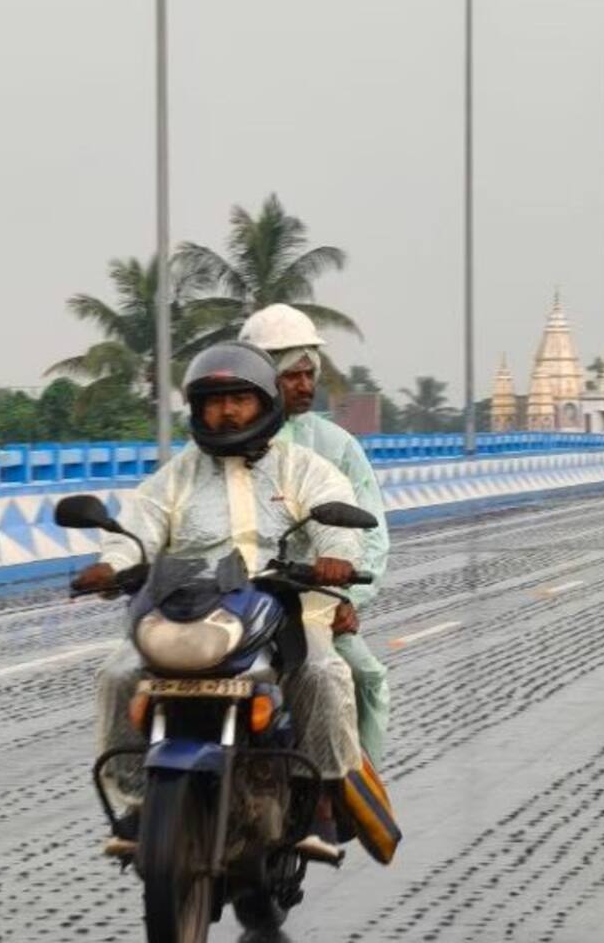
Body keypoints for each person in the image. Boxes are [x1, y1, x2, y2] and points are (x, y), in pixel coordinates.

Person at [71, 340, 365, 859]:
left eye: (238, 399)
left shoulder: (304, 469)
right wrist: (111, 567)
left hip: (280, 611)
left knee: (322, 671)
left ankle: (320, 795)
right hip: (188, 612)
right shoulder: (174, 478)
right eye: (213, 401)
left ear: (264, 403)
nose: (226, 411)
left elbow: (336, 521)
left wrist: (335, 558)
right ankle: (140, 803)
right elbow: (135, 533)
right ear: (198, 409)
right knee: (118, 674)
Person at [237, 304, 393, 768]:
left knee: (359, 676)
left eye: (309, 374)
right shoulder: (216, 441)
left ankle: (345, 788)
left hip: (308, 600)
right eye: (292, 375)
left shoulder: (335, 446)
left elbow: (371, 531)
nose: (305, 385)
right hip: (228, 599)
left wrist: (346, 598)